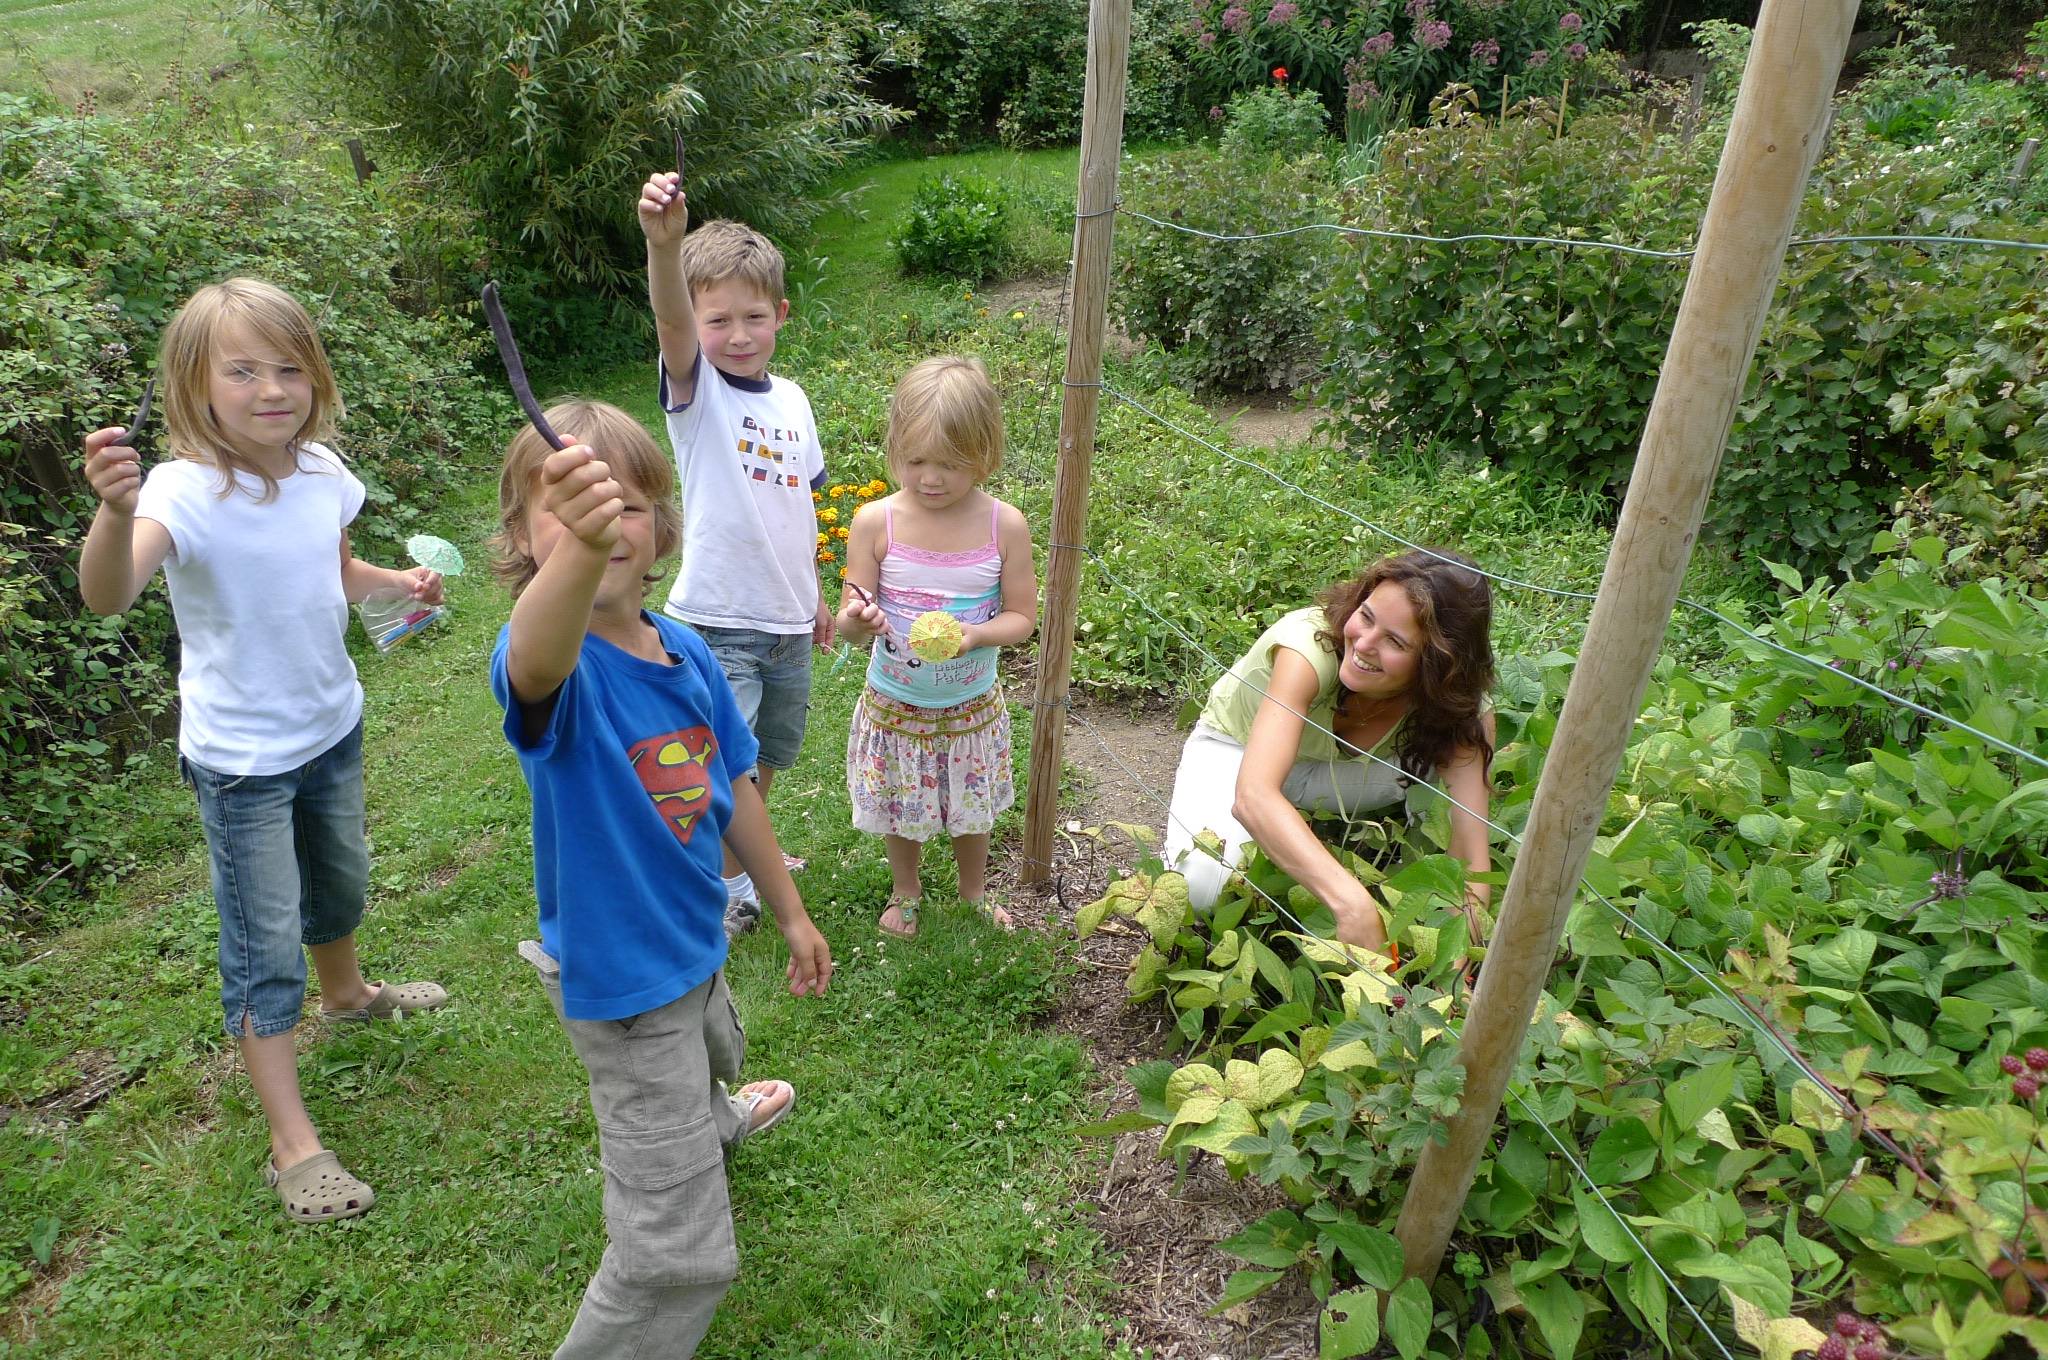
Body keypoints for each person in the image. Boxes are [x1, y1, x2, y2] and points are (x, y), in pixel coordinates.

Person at [76, 277, 449, 1223]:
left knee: (341, 885)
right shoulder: (179, 491)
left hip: (331, 724)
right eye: (241, 370)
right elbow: (110, 595)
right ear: (194, 384)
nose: (271, 389)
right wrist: (112, 514)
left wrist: (394, 584)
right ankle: (294, 1145)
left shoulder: (323, 471)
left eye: (289, 367)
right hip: (242, 761)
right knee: (263, 941)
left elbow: (330, 569)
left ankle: (349, 993)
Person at [489, 398, 833, 1360]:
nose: (602, 526)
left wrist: (793, 910)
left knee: (719, 1035)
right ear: (523, 542)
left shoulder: (687, 654)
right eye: (563, 507)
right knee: (678, 1259)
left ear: (665, 533)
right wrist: (577, 554)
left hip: (696, 940)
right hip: (626, 988)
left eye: (626, 508)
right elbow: (535, 651)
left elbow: (736, 787)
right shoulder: (559, 675)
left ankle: (715, 1115)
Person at [638, 167, 833, 941]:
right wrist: (665, 247)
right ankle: (715, 892)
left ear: (781, 314)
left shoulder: (792, 400)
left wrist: (814, 594)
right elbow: (672, 326)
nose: (739, 335)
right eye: (718, 321)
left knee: (765, 756)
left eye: (755, 317)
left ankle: (745, 864)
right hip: (719, 620)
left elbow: (801, 503)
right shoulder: (698, 393)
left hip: (786, 620)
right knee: (722, 767)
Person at [1162, 549, 1497, 955]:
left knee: (1449, 781)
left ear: (1437, 664)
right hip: (1240, 752)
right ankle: (1301, 843)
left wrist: (1457, 967)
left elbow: (1472, 857)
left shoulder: (1461, 709)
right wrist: (1352, 904)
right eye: (1367, 616)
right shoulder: (1309, 647)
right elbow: (1253, 796)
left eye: (1394, 640)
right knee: (1199, 885)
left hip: (1354, 774)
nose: (1364, 643)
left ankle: (1411, 863)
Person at [837, 356, 1038, 938]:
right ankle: (907, 891)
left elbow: (1022, 617)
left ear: (984, 454)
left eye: (949, 464)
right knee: (905, 801)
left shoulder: (1005, 526)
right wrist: (859, 619)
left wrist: (974, 635)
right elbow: (852, 620)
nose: (929, 478)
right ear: (895, 448)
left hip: (969, 701)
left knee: (970, 801)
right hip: (897, 699)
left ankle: (974, 891)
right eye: (915, 460)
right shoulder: (877, 522)